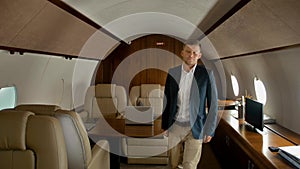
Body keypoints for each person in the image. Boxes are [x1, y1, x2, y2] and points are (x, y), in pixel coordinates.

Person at [161, 39, 218, 169]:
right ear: (182, 53)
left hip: (196, 127)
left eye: (194, 52)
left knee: (189, 166)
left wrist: (210, 130)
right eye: (188, 51)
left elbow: (213, 104)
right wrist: (165, 125)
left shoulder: (207, 74)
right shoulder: (173, 72)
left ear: (199, 55)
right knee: (174, 164)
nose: (191, 55)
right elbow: (167, 100)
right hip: (175, 126)